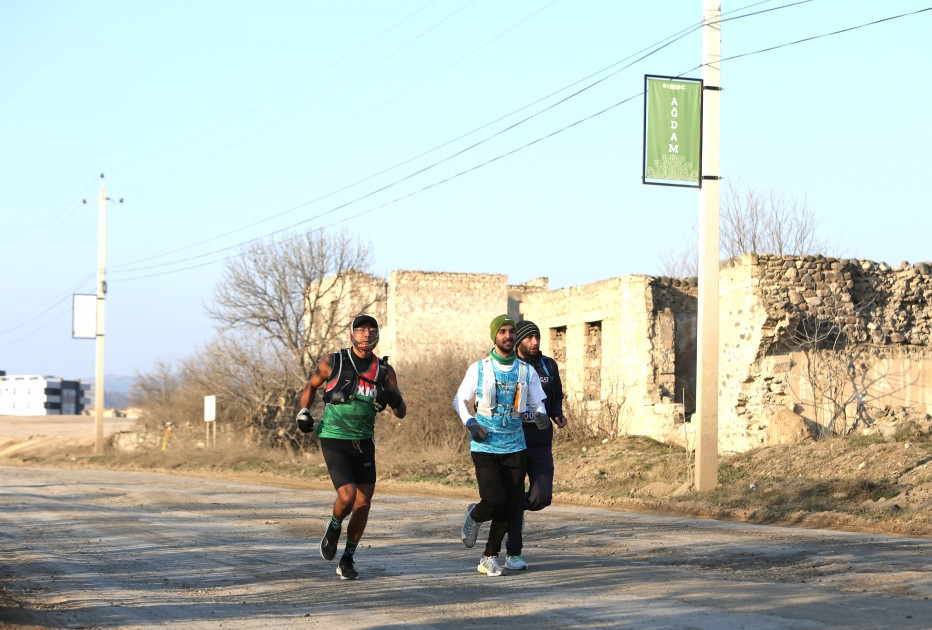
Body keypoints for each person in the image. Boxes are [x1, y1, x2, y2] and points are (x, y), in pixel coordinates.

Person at [295, 314, 406, 580]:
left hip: (364, 442)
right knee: (347, 496)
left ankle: (348, 558)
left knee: (363, 503)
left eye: (371, 330)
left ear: (377, 335)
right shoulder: (333, 361)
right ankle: (334, 527)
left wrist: (393, 397)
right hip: (334, 438)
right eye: (361, 329)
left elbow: (401, 411)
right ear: (351, 334)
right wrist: (303, 412)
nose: (366, 334)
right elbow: (311, 386)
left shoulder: (384, 371)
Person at [453, 314, 547, 577]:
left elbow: (537, 402)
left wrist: (540, 414)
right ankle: (475, 514)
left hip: (516, 444)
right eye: (503, 331)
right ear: (494, 336)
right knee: (494, 499)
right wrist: (471, 423)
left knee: (512, 503)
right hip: (485, 444)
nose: (508, 336)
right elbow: (459, 400)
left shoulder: (526, 370)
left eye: (511, 331)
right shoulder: (479, 369)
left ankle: (489, 556)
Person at [502, 319, 568, 571]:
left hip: (541, 442)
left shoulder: (548, 365)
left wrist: (557, 414)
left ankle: (510, 505)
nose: (535, 342)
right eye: (530, 338)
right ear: (518, 341)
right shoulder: (509, 366)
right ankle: (514, 553)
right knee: (515, 493)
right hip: (514, 442)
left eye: (538, 337)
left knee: (541, 497)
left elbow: (556, 395)